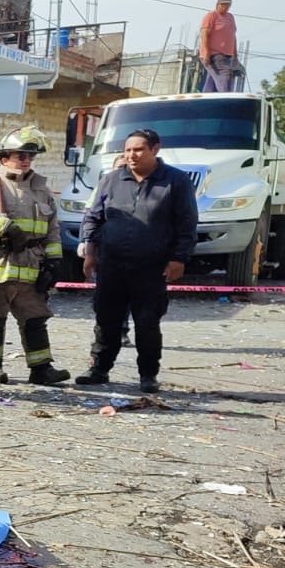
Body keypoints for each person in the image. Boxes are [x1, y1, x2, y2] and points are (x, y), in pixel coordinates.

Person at [75, 129, 198, 393]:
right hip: (111, 265)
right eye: (128, 150)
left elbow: (186, 223)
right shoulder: (111, 180)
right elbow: (93, 218)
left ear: (155, 150)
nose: (132, 155)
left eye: (139, 149)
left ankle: (148, 375)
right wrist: (90, 252)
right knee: (106, 321)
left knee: (147, 323)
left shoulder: (176, 181)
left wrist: (179, 258)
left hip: (150, 268)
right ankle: (99, 369)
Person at [0, 126, 71, 385]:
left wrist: (54, 261)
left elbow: (52, 228)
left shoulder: (42, 190)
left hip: (30, 266)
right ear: (3, 158)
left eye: (30, 156)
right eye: (20, 155)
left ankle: (41, 369)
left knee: (35, 318)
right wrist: (6, 228)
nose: (25, 161)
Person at [199, 0, 240, 93]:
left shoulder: (230, 17)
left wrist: (235, 55)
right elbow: (204, 34)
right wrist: (205, 53)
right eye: (224, 5)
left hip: (228, 56)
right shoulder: (211, 15)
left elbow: (233, 37)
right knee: (225, 76)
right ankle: (227, 101)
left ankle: (206, 101)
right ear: (218, 5)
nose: (226, 7)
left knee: (212, 83)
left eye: (228, 5)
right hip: (215, 55)